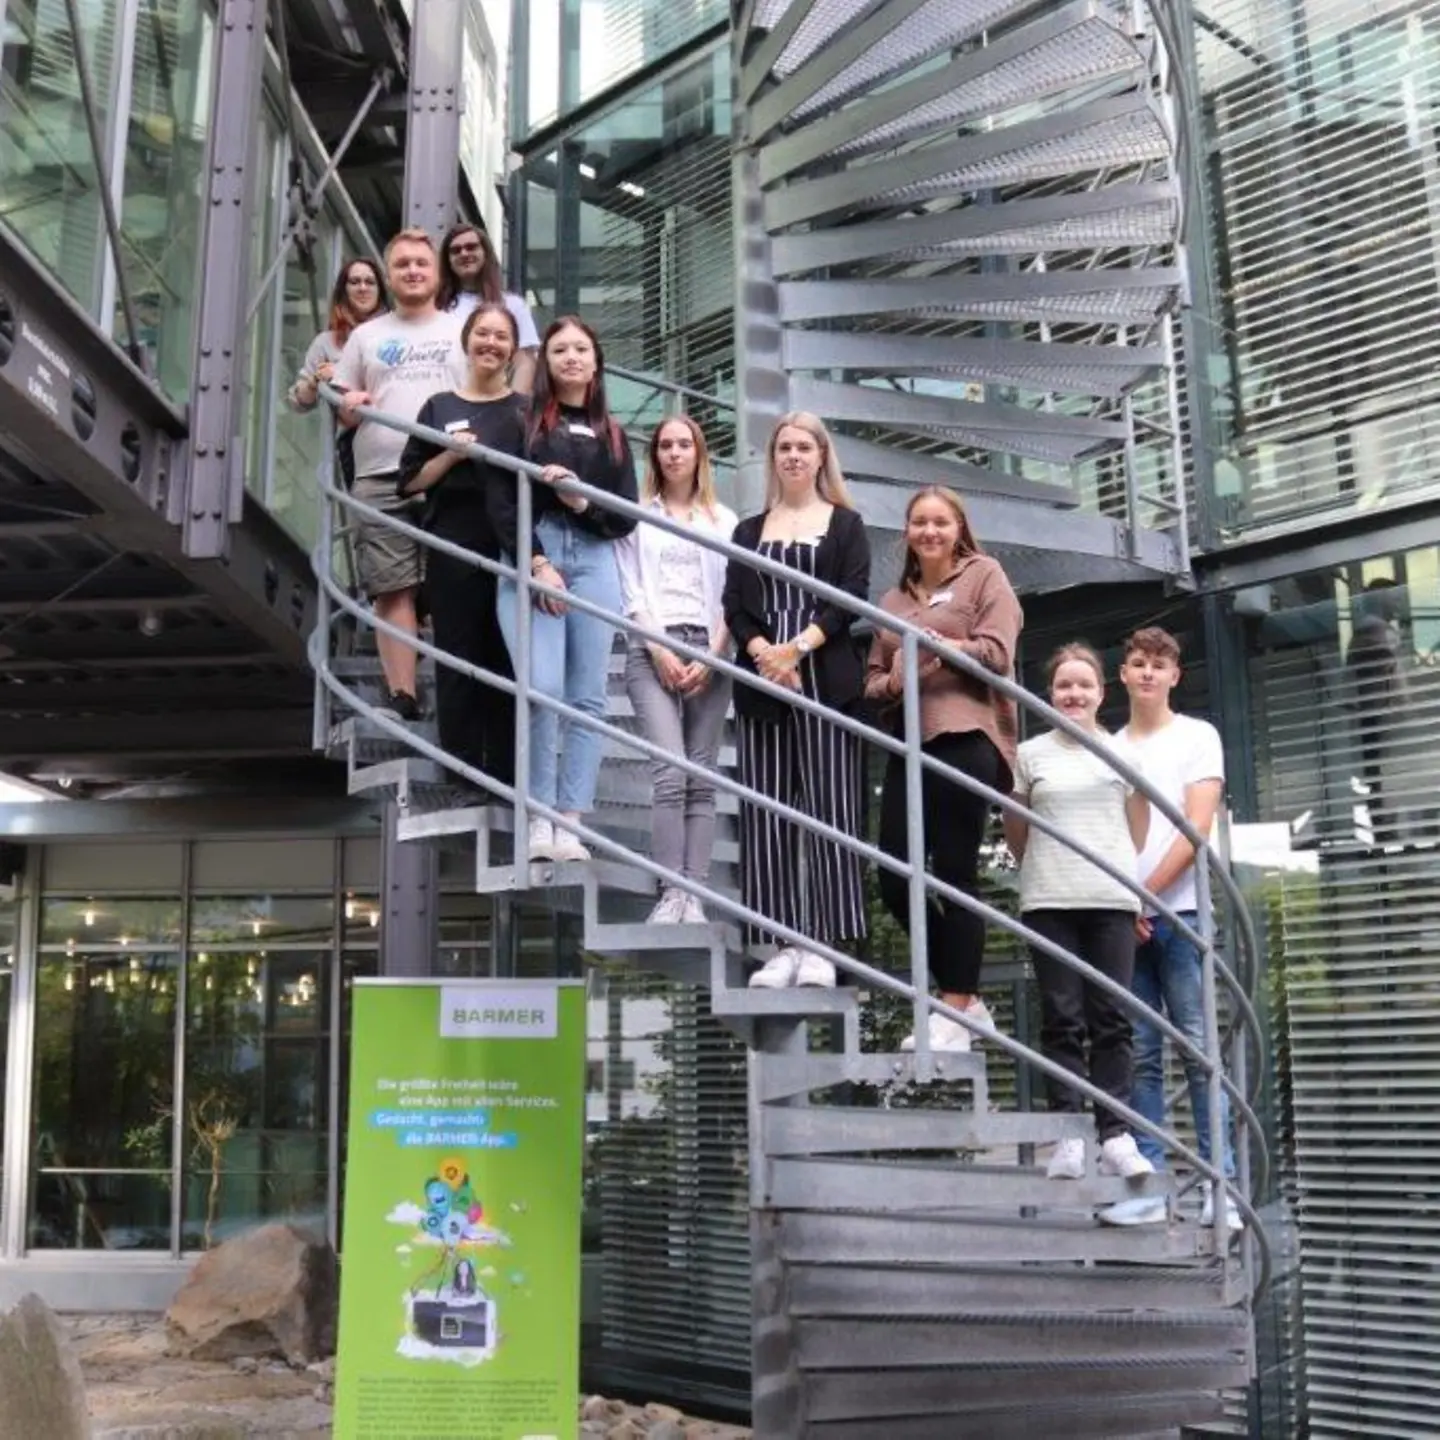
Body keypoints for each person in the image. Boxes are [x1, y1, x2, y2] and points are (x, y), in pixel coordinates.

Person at [865, 487, 1022, 1048]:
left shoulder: (985, 576)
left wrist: (942, 646)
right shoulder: (890, 600)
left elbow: (998, 653)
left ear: (959, 528)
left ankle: (955, 1001)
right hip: (909, 744)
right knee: (892, 876)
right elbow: (874, 682)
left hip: (966, 736)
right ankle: (966, 1000)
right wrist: (902, 675)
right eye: (919, 523)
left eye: (941, 522)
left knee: (954, 873)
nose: (929, 531)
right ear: (906, 532)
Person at [723, 413, 870, 989]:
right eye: (783, 447)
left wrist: (797, 650)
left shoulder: (846, 523)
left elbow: (851, 597)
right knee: (767, 811)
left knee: (829, 812)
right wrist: (765, 654)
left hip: (823, 676)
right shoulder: (748, 528)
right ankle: (781, 943)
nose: (792, 456)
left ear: (820, 456)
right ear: (773, 459)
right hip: (765, 681)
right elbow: (734, 603)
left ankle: (824, 945)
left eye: (803, 447)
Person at [1104, 625, 1238, 1228]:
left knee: (1199, 1053)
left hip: (1178, 915)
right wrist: (1122, 904)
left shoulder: (1197, 736)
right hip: (1125, 923)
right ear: (1125, 675)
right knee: (1141, 1060)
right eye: (1139, 663)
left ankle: (1221, 1190)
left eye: (1160, 664)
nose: (1149, 673)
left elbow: (1196, 830)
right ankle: (1151, 1189)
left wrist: (1143, 897)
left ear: (1175, 676)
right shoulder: (1109, 744)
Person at [1004, 643, 1153, 1181]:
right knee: (1062, 1019)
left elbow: (1136, 830)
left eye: (1083, 685)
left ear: (1100, 693)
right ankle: (1069, 1134)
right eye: (1065, 685)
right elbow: (1015, 830)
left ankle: (1115, 1133)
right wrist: (1049, 865)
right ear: (1051, 692)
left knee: (1112, 1020)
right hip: (1049, 900)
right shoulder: (1030, 754)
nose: (1074, 694)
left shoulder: (1123, 754)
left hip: (1110, 900)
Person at [494, 316, 639, 862]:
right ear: (547, 361)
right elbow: (503, 501)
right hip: (537, 553)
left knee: (587, 699)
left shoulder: (613, 432)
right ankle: (539, 816)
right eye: (560, 349)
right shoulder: (522, 421)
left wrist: (583, 503)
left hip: (595, 559)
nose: (572, 357)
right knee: (544, 689)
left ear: (596, 361)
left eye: (582, 348)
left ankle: (570, 822)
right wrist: (535, 561)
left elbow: (624, 515)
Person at [334, 229, 467, 720]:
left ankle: (459, 690)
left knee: (454, 585)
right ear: (389, 275)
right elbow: (345, 411)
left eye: (421, 264)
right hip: (379, 475)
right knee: (393, 587)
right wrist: (348, 403)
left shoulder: (463, 329)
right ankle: (403, 694)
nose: (413, 271)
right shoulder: (367, 337)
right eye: (403, 264)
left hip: (450, 475)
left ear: (436, 274)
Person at [397, 303, 528, 788]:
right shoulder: (439, 406)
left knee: (506, 660)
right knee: (457, 659)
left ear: (514, 348)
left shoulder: (525, 410)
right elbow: (409, 483)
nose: (491, 344)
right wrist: (451, 456)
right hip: (453, 546)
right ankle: (461, 773)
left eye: (501, 336)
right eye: (483, 334)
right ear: (467, 341)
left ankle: (506, 777)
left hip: (509, 545)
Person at [616, 416, 738, 923]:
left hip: (710, 649)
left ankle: (695, 895)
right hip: (653, 649)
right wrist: (661, 650)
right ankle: (671, 891)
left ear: (699, 454)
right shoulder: (637, 517)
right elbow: (631, 591)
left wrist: (711, 653)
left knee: (701, 779)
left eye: (683, 444)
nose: (673, 453)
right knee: (671, 772)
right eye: (664, 445)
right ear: (655, 457)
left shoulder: (725, 521)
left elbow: (735, 597)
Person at [287, 258, 389, 490]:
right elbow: (298, 401)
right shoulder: (326, 342)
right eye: (355, 282)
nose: (363, 288)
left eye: (370, 282)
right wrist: (316, 380)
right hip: (353, 441)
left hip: (393, 433)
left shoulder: (394, 335)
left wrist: (342, 373)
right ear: (344, 290)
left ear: (380, 290)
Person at [436, 223, 540, 395]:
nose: (464, 253)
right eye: (455, 250)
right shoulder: (437, 307)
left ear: (485, 253)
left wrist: (511, 408)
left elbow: (525, 363)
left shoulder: (514, 305)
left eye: (471, 247)